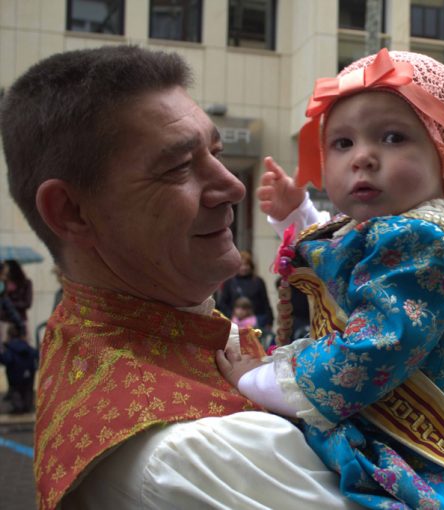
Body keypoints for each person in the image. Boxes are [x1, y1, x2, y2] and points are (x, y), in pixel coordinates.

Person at [2, 45, 359, 510]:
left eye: (216, 152)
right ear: (71, 212)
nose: (234, 186)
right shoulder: (197, 453)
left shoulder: (80, 335)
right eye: (176, 168)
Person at [217, 48, 444, 509]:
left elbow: (367, 352)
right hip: (401, 412)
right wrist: (298, 214)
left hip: (413, 441)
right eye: (342, 143)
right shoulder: (406, 228)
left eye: (393, 137)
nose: (363, 157)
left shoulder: (424, 243)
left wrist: (257, 381)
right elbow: (348, 262)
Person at [218, 250, 275, 330]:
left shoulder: (258, 281)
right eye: (241, 265)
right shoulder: (229, 282)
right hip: (233, 322)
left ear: (251, 266)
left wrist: (269, 321)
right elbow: (223, 303)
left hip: (255, 323)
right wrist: (232, 316)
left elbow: (265, 302)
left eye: (246, 265)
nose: (244, 268)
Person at [0, 323, 38, 414]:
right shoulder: (28, 347)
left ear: (9, 335)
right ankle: (27, 406)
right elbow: (36, 354)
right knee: (28, 391)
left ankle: (18, 407)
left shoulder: (9, 348)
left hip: (14, 375)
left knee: (15, 392)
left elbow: (7, 360)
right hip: (29, 374)